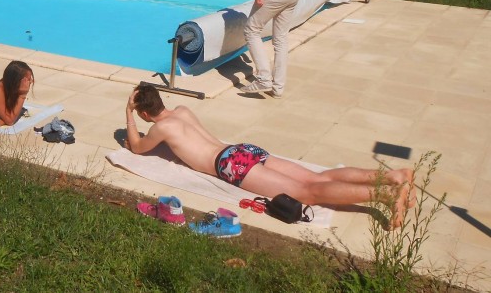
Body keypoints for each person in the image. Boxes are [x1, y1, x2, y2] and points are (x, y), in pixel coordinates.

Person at [124, 85, 415, 229]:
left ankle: (387, 195)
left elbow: (136, 147)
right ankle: (395, 176)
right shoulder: (182, 110)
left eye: (140, 114)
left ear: (146, 114)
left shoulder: (161, 127)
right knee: (317, 178)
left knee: (307, 193)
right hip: (242, 149)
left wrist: (129, 114)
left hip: (229, 164)